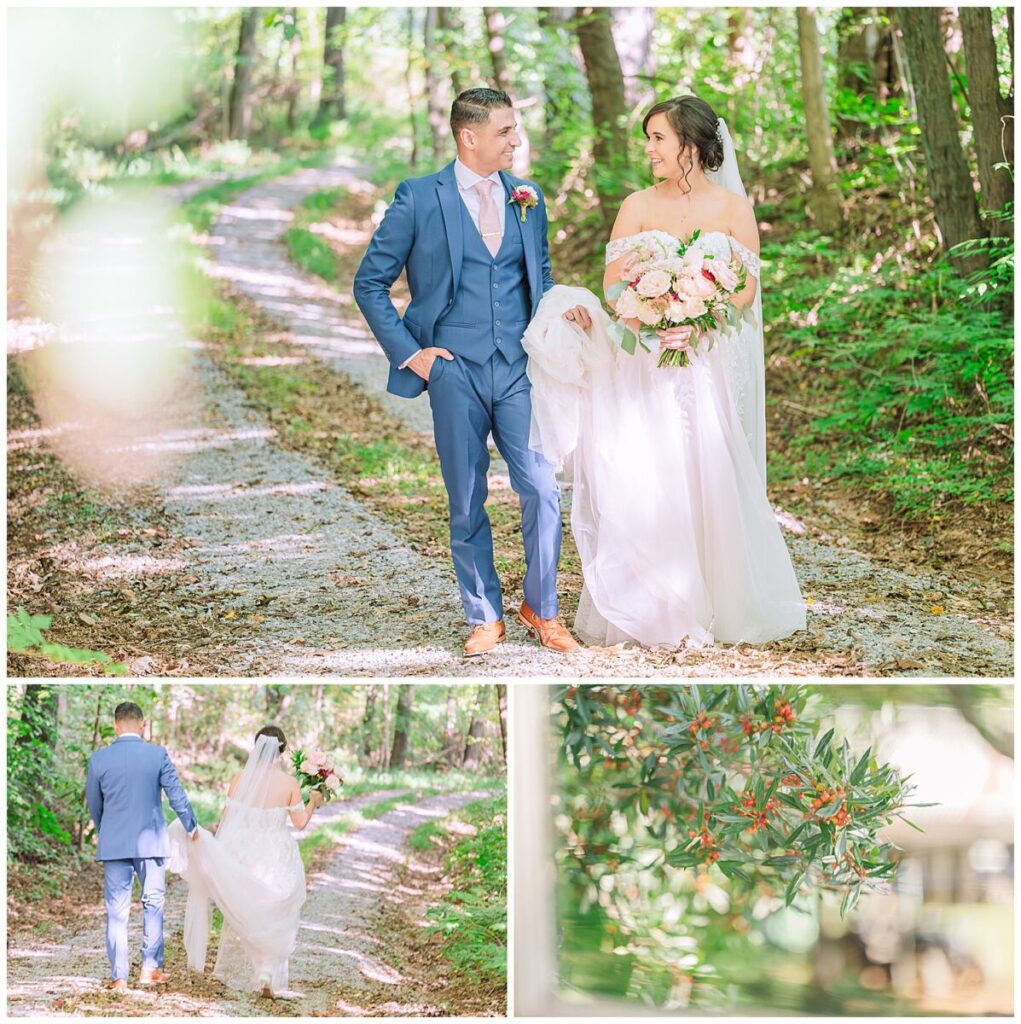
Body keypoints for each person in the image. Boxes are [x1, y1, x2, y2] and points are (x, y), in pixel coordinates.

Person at [523, 94, 806, 648]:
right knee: (648, 475)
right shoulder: (636, 205)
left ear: (692, 148)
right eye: (648, 139)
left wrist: (700, 322)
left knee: (706, 471)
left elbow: (747, 288)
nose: (649, 150)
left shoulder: (732, 211)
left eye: (659, 139)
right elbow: (613, 284)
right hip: (645, 364)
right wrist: (649, 313)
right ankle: (654, 604)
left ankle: (718, 601)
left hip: (706, 364)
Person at [354, 87, 588, 657]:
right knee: (466, 496)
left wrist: (563, 309)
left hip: (516, 368)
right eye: (506, 131)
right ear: (470, 136)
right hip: (452, 370)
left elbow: (539, 277)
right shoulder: (418, 198)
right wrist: (415, 354)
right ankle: (484, 615)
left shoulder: (527, 197)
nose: (517, 140)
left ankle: (543, 607)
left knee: (541, 487)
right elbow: (370, 283)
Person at [168, 725, 322, 999]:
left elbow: (228, 818)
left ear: (256, 747)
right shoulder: (289, 783)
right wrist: (314, 803)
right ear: (282, 751)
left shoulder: (240, 779)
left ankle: (262, 967)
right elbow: (300, 824)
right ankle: (266, 969)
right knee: (275, 912)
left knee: (249, 911)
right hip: (275, 852)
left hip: (244, 850)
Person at [85, 701, 198, 992]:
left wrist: (106, 830)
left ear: (115, 724)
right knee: (153, 904)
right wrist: (191, 825)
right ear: (142, 724)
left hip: (114, 843)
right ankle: (149, 968)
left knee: (117, 911)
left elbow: (95, 807)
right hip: (151, 844)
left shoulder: (98, 760)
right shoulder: (156, 755)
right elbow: (176, 794)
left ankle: (119, 976)